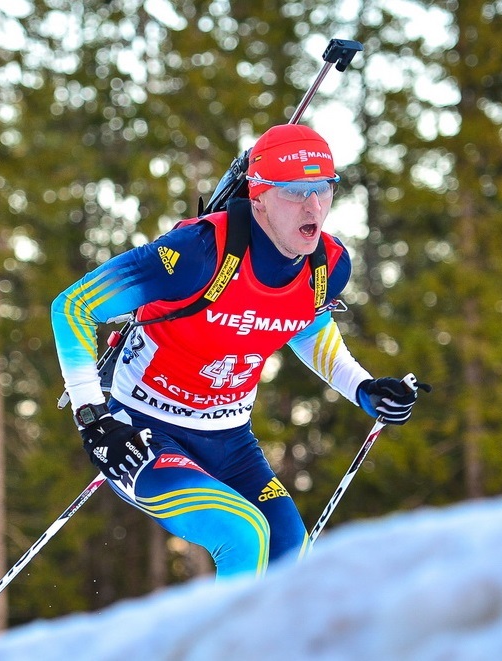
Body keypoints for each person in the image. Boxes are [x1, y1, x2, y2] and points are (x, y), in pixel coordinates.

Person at [51, 123, 428, 579]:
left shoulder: (329, 265)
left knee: (291, 553)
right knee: (243, 533)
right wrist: (93, 420)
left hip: (231, 442)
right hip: (143, 434)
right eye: (295, 191)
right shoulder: (198, 253)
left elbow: (305, 326)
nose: (314, 206)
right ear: (259, 195)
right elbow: (73, 306)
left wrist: (364, 388)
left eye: (323, 188)